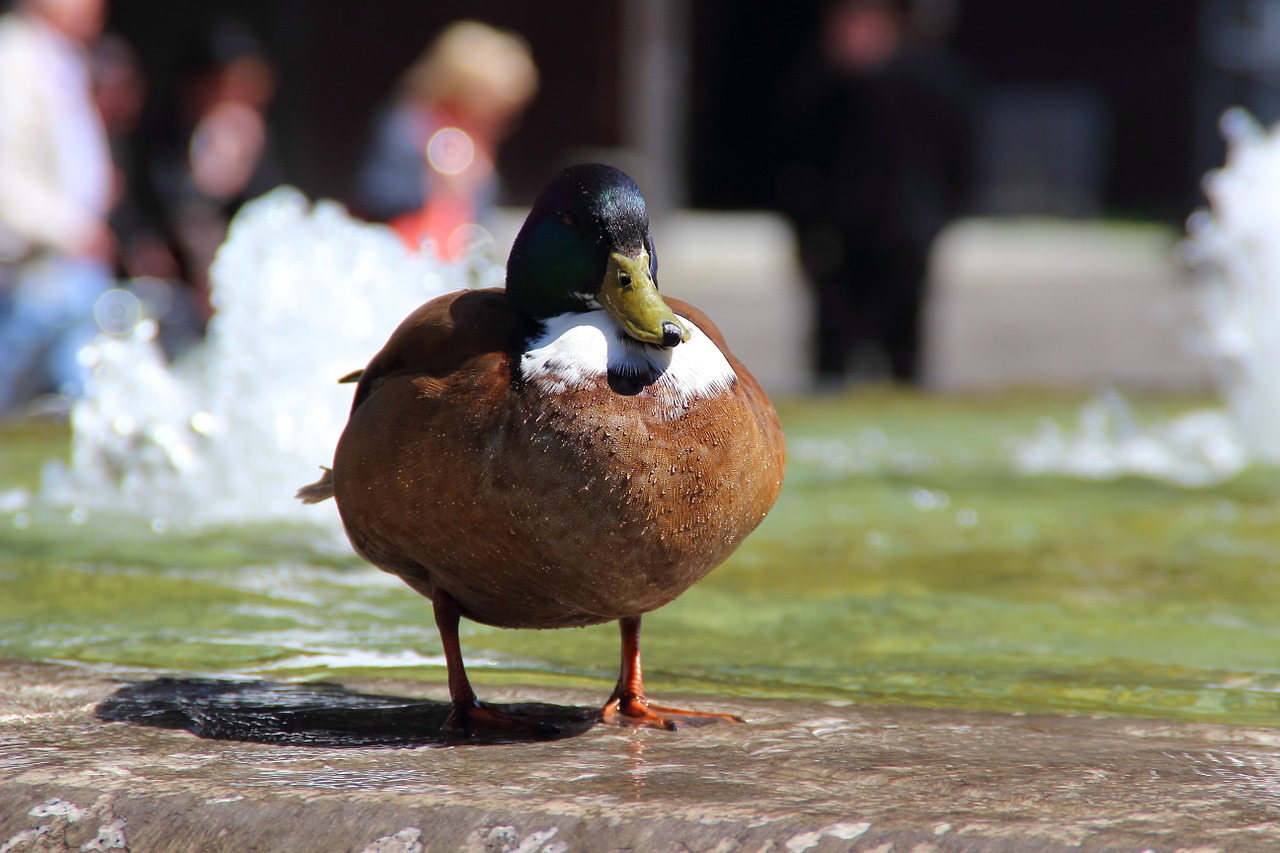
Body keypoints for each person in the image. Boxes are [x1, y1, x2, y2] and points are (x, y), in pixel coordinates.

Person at [775, 0, 971, 386]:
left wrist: (935, 222)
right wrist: (803, 231)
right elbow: (792, 171)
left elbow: (959, 161)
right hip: (838, 243)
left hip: (904, 237)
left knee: (903, 355)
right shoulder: (820, 90)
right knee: (832, 356)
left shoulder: (932, 86)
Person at [0, 0, 115, 413]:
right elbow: (5, 180)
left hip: (66, 266)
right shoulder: (13, 57)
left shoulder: (59, 56)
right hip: (31, 273)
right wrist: (71, 228)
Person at [352, 20, 538, 260]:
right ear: (461, 87)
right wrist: (436, 182)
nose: (506, 123)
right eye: (495, 104)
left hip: (455, 266)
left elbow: (482, 218)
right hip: (399, 261)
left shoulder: (477, 140)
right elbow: (375, 197)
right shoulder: (407, 126)